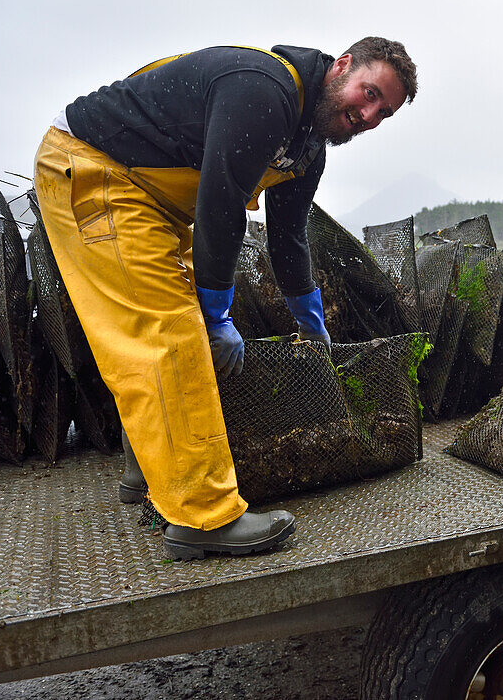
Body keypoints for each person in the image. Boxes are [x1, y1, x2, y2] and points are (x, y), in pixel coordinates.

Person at [33, 38, 417, 559]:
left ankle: (146, 469)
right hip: (95, 172)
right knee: (169, 336)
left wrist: (311, 318)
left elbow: (288, 236)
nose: (368, 114)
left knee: (179, 331)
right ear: (342, 66)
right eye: (368, 93)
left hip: (153, 202)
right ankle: (202, 517)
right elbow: (221, 204)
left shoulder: (307, 145)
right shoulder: (264, 90)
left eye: (383, 112)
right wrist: (215, 315)